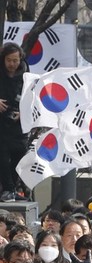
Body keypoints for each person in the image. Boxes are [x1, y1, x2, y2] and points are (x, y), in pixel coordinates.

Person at [0, 43, 26, 201]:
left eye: (15, 60)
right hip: (1, 125)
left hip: (18, 123)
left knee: (20, 154)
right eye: (9, 60)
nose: (12, 64)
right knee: (2, 156)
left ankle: (12, 188)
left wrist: (24, 112)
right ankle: (7, 189)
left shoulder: (25, 75)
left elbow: (33, 98)